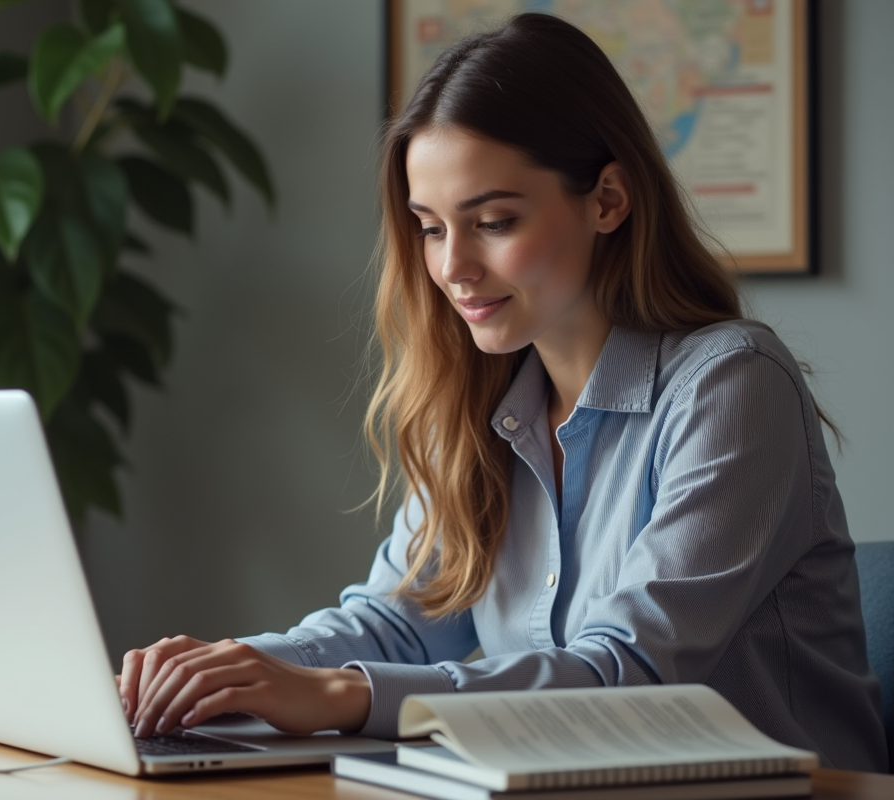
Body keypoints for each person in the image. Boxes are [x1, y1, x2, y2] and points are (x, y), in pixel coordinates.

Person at [116, 13, 888, 772]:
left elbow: (629, 675)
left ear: (608, 200)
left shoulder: (732, 384)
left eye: (492, 221)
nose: (452, 268)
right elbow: (397, 622)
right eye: (430, 227)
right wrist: (226, 671)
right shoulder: (479, 406)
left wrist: (340, 694)